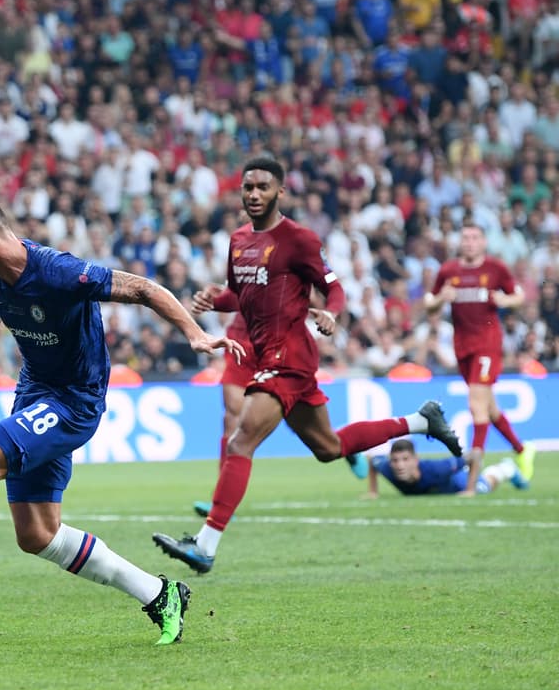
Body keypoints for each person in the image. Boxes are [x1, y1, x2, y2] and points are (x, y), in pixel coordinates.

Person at [0, 190, 243, 647]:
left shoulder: (59, 271)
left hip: (74, 402)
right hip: (35, 397)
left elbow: (144, 288)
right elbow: (0, 293)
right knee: (37, 534)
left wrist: (195, 335)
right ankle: (161, 594)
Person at [152, 157, 463, 574]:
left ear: (280, 192)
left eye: (263, 187)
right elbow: (241, 294)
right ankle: (421, 421)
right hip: (270, 355)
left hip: (290, 356)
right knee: (328, 448)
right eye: (248, 188)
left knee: (240, 441)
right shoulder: (239, 240)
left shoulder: (298, 239)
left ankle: (205, 546)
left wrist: (331, 313)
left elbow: (333, 288)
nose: (254, 194)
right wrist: (215, 298)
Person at [188, 302, 367, 519]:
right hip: (240, 341)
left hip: (276, 345)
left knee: (300, 422)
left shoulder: (289, 270)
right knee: (231, 417)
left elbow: (311, 296)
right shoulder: (238, 268)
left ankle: (343, 446)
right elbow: (236, 291)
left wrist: (324, 313)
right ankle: (220, 502)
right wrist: (215, 298)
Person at [423, 225, 535, 494]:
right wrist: (441, 299)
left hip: (488, 345)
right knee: (489, 407)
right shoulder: (449, 271)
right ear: (459, 242)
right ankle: (522, 450)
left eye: (475, 238)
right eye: (465, 238)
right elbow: (429, 304)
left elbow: (519, 296)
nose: (470, 242)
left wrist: (505, 301)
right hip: (463, 347)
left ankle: (472, 482)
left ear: (484, 241)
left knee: (476, 405)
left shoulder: (496, 268)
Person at [362, 439, 526, 498]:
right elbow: (371, 460)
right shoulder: (386, 467)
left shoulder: (437, 469)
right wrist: (373, 491)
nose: (399, 465)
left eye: (405, 459)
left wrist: (469, 490)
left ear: (415, 460)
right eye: (395, 460)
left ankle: (506, 469)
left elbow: (475, 455)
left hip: (457, 482)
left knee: (484, 487)